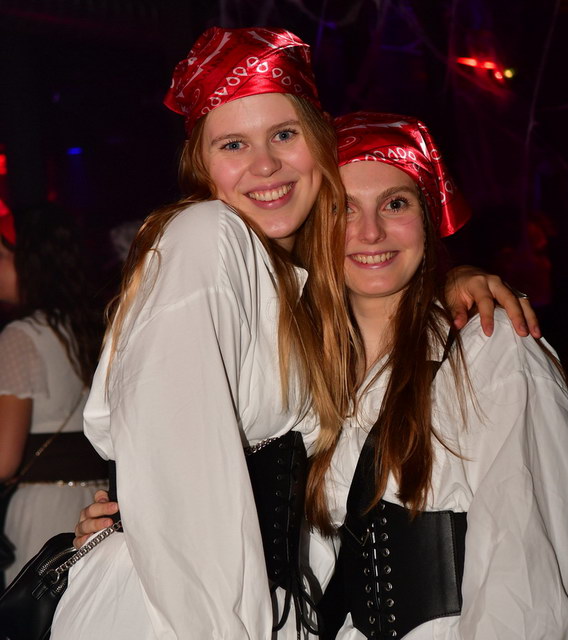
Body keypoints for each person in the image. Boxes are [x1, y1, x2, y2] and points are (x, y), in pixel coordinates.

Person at [54, 28, 538, 640]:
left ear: (318, 144)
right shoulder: (208, 238)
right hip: (189, 615)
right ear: (201, 164)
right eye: (234, 144)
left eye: (284, 135)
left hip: (254, 608)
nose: (265, 165)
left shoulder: (292, 286)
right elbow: (178, 481)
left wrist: (445, 281)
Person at [305, 112, 568, 639]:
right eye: (341, 208)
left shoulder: (490, 347)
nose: (369, 232)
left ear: (428, 217)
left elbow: (526, 575)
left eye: (395, 204)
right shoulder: (306, 371)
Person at [0, 204, 106, 586]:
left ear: (30, 263)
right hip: (98, 503)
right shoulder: (94, 326)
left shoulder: (20, 336)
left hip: (43, 509)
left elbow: (3, 461)